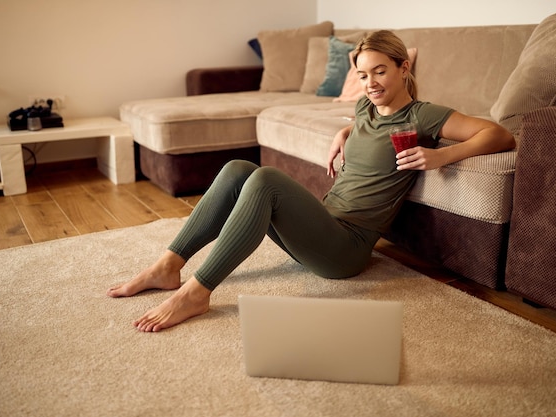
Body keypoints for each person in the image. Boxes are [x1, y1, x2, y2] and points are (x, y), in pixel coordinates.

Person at [107, 30, 515, 332]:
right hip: (323, 221)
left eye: (381, 72)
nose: (371, 83)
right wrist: (345, 135)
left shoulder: (423, 115)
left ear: (404, 68)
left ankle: (197, 293)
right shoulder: (365, 108)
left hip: (346, 249)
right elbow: (365, 129)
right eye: (363, 74)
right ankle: (168, 265)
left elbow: (500, 134)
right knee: (236, 169)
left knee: (265, 179)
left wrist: (442, 154)